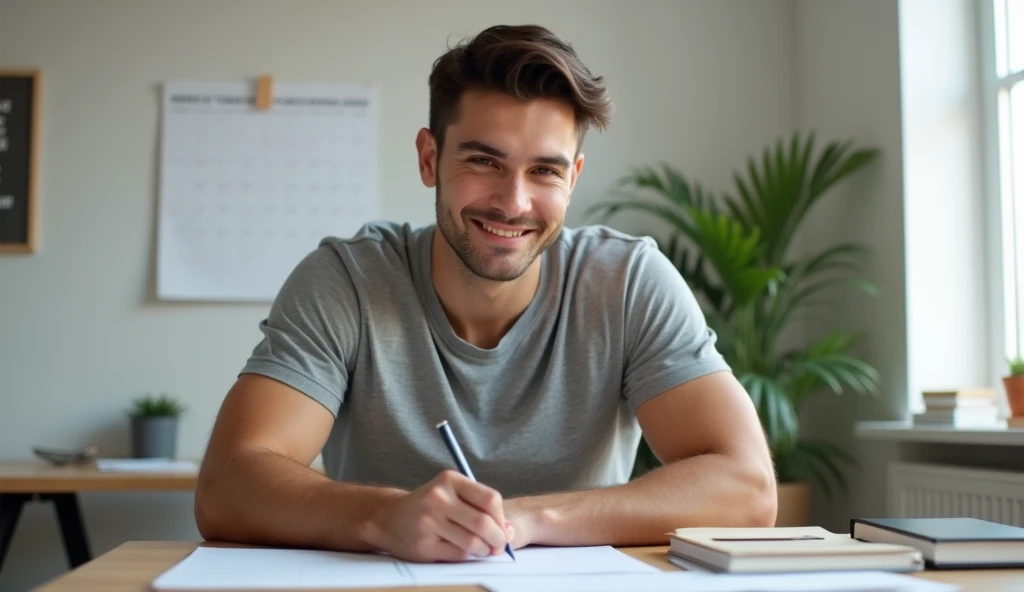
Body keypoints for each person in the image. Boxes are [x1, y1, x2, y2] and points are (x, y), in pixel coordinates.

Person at [194, 23, 776, 564]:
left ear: (572, 178)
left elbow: (746, 489)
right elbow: (229, 485)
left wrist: (526, 519)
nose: (514, 202)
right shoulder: (346, 281)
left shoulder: (626, 282)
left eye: (544, 171)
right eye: (484, 160)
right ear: (430, 158)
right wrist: (385, 517)